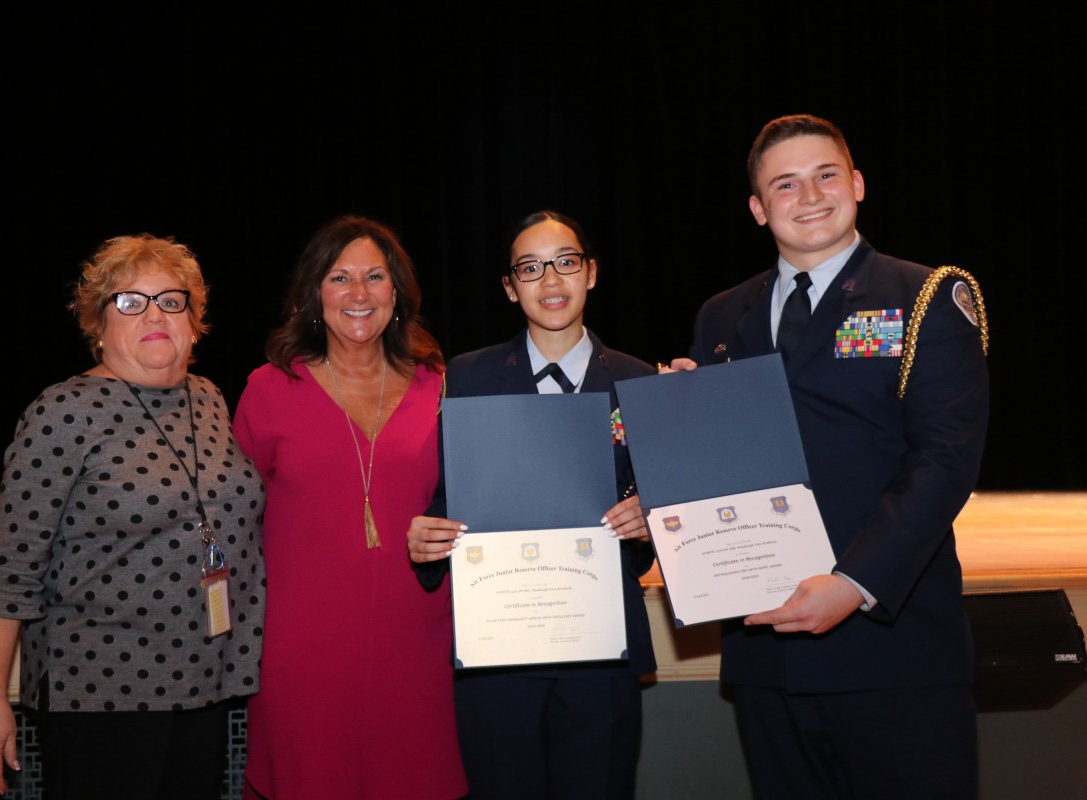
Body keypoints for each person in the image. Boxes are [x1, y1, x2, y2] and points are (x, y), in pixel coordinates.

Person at [672, 114, 989, 799]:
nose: (809, 195)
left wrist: (854, 581)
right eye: (785, 185)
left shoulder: (926, 295)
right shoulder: (723, 316)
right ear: (759, 209)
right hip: (766, 656)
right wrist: (680, 429)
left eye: (825, 175)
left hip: (893, 650)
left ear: (858, 183)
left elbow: (945, 461)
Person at [0, 233, 267, 799]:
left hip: (204, 682)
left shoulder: (209, 398)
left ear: (195, 321)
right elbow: (9, 573)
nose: (155, 314)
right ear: (98, 326)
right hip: (101, 690)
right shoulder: (62, 411)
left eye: (172, 301)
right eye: (130, 302)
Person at [407, 210, 657, 800]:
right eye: (531, 268)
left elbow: (673, 516)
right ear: (509, 286)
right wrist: (426, 543)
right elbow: (451, 496)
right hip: (500, 650)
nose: (551, 281)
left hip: (602, 648)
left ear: (590, 274)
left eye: (566, 263)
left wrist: (654, 514)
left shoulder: (639, 380)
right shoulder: (466, 376)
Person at [232, 215, 467, 800]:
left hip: (420, 644)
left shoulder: (443, 386)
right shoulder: (268, 387)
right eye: (340, 278)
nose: (358, 294)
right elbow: (232, 521)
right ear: (315, 294)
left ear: (397, 293)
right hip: (301, 650)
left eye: (375, 277)